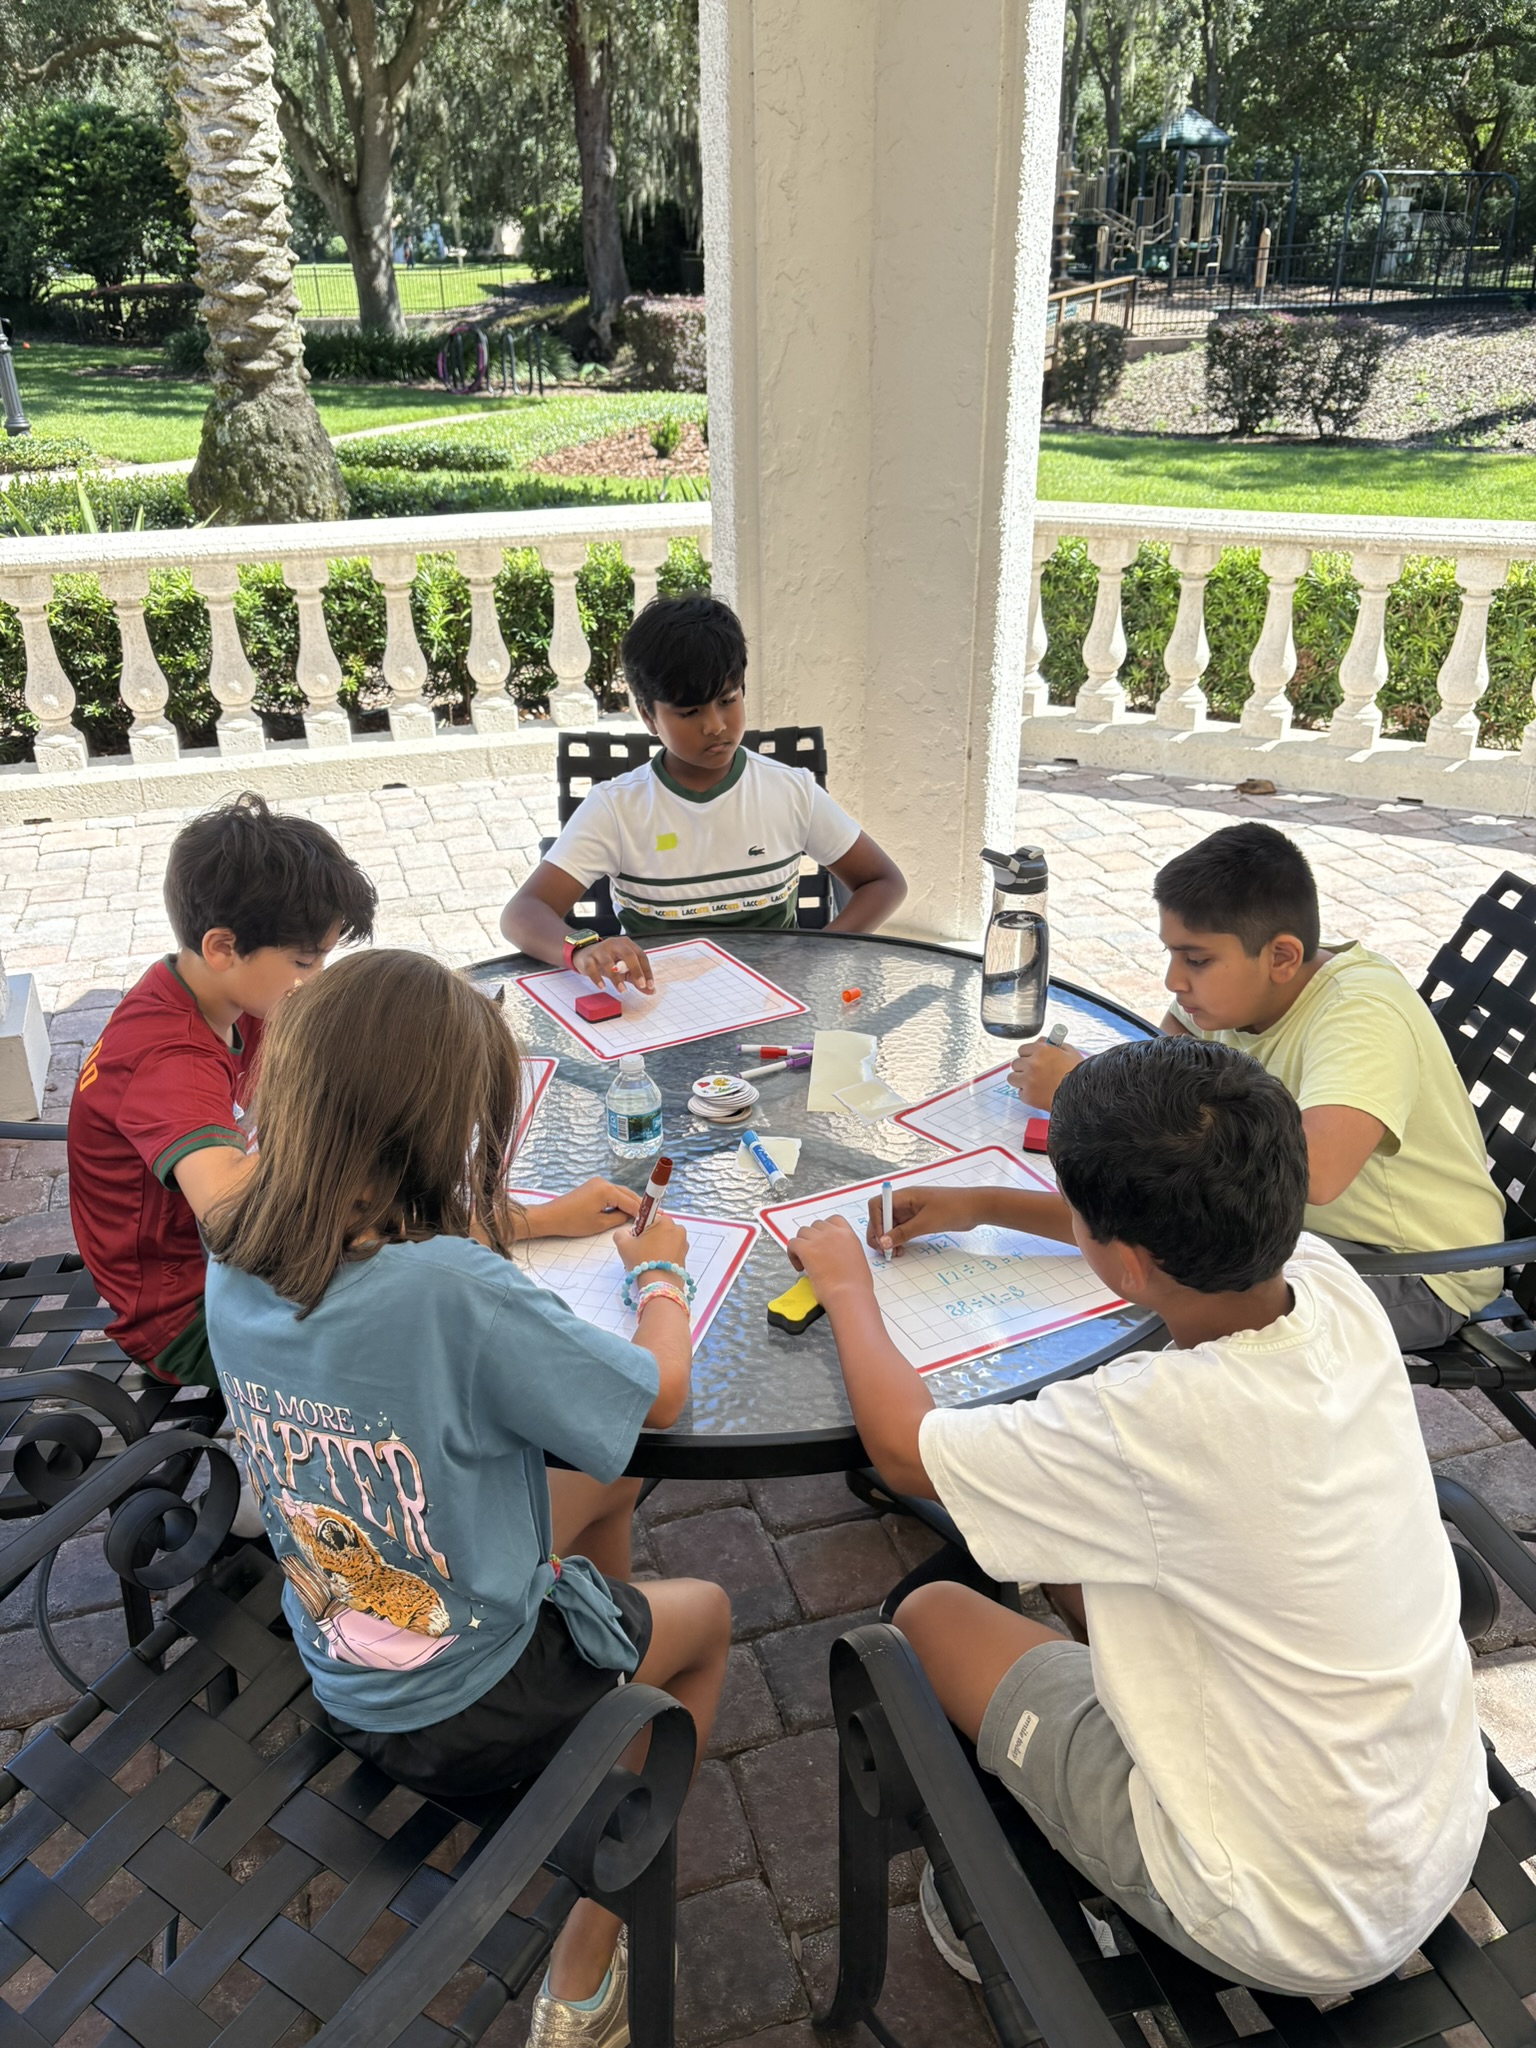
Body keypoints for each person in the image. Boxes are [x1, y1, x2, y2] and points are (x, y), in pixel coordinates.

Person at [789, 1037, 1485, 1998]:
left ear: (1121, 1259)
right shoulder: (1326, 1280)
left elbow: (906, 1452)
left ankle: (1007, 1885)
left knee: (928, 1620)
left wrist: (846, 1288)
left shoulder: (1141, 1425)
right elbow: (1152, 1240)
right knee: (1068, 1556)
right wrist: (984, 1204)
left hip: (1280, 1912)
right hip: (1427, 1826)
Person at [202, 948, 731, 2048]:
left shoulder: (238, 1244)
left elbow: (391, 1266)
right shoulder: (453, 1289)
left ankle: (599, 1696)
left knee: (611, 1476)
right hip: (472, 1696)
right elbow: (661, 1391)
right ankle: (586, 1963)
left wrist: (535, 1222)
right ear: (447, 1129)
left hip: (344, 1654)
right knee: (713, 1616)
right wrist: (662, 1273)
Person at [1006, 821, 1504, 1351]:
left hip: (1415, 1269)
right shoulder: (1230, 997)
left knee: (1136, 1309)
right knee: (1125, 1254)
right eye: (1171, 954)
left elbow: (1314, 1175)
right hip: (1279, 1234)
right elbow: (1157, 1090)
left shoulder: (1361, 1012)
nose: (1174, 980)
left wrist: (1079, 1089)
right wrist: (982, 1206)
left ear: (1281, 958)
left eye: (1196, 959)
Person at [67, 792, 377, 1390]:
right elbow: (229, 1207)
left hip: (223, 1269)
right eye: (305, 963)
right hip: (188, 1319)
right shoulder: (171, 1060)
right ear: (222, 948)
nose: (315, 982)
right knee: (408, 1321)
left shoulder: (224, 995)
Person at [501, 593, 907, 995]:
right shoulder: (616, 809)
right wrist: (582, 948)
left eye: (727, 700)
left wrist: (817, 955)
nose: (715, 725)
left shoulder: (791, 792)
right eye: (689, 712)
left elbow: (883, 882)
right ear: (648, 715)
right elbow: (523, 912)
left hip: (774, 1003)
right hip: (658, 1008)